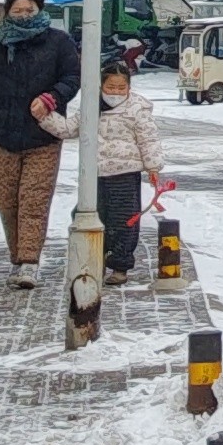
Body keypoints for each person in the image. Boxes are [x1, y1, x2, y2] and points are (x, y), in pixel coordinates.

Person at [0, 0, 82, 283]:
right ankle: (16, 257)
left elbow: (72, 77)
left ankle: (29, 261)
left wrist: (51, 98)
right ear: (7, 12)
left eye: (30, 10)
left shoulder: (59, 43)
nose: (24, 15)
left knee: (34, 200)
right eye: (18, 11)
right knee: (8, 202)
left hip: (43, 136)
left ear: (40, 9)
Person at [92, 54, 168, 281]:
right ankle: (95, 257)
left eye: (121, 87)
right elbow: (71, 127)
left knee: (124, 219)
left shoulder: (137, 109)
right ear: (101, 85)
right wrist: (45, 118)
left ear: (129, 87)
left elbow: (148, 139)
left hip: (126, 173)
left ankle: (120, 266)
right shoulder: (92, 106)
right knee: (90, 214)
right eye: (110, 87)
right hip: (96, 174)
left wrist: (153, 167)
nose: (115, 92)